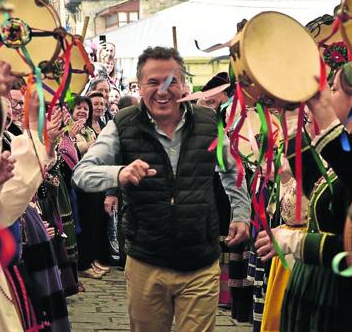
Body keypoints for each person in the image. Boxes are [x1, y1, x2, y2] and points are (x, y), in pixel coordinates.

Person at [72, 46, 251, 332]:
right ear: (140, 85)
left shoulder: (207, 123)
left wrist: (241, 213)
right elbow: (82, 174)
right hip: (147, 261)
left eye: (171, 81)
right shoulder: (123, 124)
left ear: (184, 85)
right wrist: (119, 173)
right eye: (153, 82)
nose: (163, 90)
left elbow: (232, 169)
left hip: (200, 262)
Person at [254, 62, 352, 332]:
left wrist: (293, 241)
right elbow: (321, 190)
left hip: (341, 292)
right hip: (317, 285)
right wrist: (290, 117)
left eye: (333, 89)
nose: (328, 96)